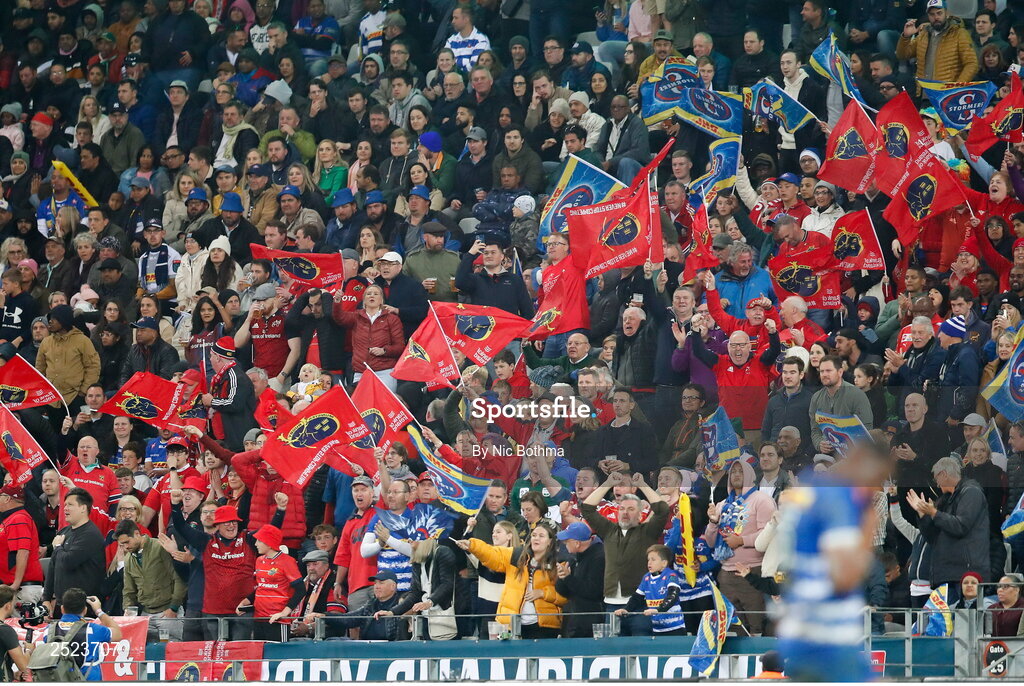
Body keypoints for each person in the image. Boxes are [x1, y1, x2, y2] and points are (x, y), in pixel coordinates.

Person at [457, 519, 567, 638]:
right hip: (513, 625)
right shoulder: (516, 555)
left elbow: (564, 597)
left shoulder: (559, 563)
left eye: (541, 536)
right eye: (534, 535)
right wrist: (472, 545)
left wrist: (542, 593)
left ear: (550, 542)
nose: (536, 538)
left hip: (545, 627)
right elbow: (492, 554)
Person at [909, 457, 989, 607]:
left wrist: (934, 512)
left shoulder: (971, 492)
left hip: (964, 573)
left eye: (936, 479)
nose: (937, 484)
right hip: (945, 574)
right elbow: (932, 538)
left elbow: (961, 526)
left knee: (963, 622)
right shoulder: (944, 500)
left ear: (944, 474)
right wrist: (923, 516)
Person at [116, 519, 185, 643]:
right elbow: (128, 591)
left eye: (127, 542)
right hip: (145, 614)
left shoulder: (159, 547)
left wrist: (173, 608)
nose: (126, 547)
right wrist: (128, 612)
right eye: (122, 545)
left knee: (173, 653)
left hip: (168, 612)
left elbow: (179, 578)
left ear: (137, 534)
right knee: (144, 653)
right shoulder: (128, 559)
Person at [43, 488, 105, 618]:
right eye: (65, 505)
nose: (65, 508)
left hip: (84, 607)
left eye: (70, 505)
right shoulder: (64, 532)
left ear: (83, 508)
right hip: (62, 606)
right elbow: (53, 566)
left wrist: (58, 546)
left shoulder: (90, 534)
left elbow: (68, 562)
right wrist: (46, 599)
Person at [43, 588, 123, 681]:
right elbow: (118, 634)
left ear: (62, 609)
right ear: (85, 610)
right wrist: (98, 611)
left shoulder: (49, 630)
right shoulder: (93, 629)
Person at [0, 585, 30, 680]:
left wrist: (12, 674)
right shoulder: (5, 631)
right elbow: (24, 666)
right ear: (8, 606)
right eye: (13, 604)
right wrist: (29, 650)